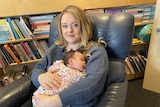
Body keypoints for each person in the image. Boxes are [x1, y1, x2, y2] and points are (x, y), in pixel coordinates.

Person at [31, 5, 109, 107]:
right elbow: (38, 69)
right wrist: (40, 77)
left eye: (75, 25)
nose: (70, 30)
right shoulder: (55, 48)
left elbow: (94, 83)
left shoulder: (96, 50)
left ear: (83, 27)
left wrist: (55, 101)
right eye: (65, 26)